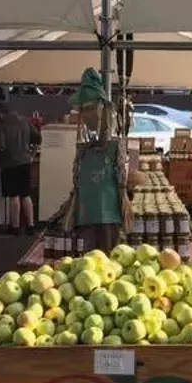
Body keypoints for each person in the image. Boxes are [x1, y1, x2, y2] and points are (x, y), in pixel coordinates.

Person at [68, 68, 128, 253]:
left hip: (108, 216)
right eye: (84, 110)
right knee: (87, 260)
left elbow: (122, 181)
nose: (86, 115)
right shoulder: (83, 150)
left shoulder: (114, 147)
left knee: (108, 258)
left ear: (103, 108)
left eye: (91, 108)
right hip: (86, 215)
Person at [0, 98, 38, 235]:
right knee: (25, 195)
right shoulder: (25, 121)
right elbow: (37, 138)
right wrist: (32, 153)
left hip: (9, 163)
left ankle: (15, 227)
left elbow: (0, 146)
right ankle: (31, 226)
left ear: (0, 113)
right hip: (25, 161)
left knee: (14, 196)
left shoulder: (2, 125)